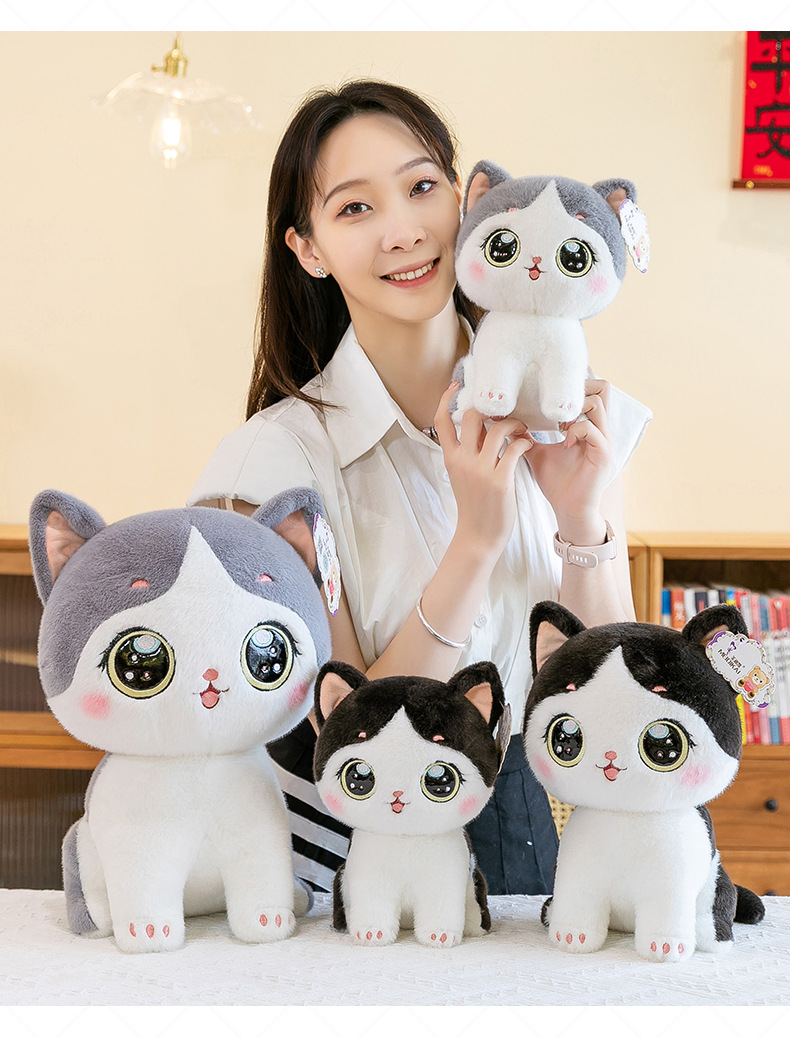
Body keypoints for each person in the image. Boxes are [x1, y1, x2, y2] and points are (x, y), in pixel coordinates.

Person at [188, 79, 651, 895]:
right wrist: (475, 542)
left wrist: (582, 517)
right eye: (354, 208)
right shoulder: (269, 469)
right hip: (364, 869)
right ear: (308, 249)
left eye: (422, 187)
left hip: (548, 855)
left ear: (468, 204)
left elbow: (622, 696)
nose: (403, 230)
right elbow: (349, 739)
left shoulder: (573, 413)